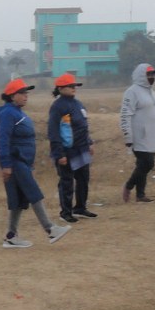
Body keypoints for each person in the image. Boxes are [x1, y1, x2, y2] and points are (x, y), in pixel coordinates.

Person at [0, 78, 69, 248]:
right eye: (22, 93)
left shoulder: (17, 112)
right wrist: (6, 165)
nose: (26, 96)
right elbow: (3, 140)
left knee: (19, 200)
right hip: (15, 161)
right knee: (34, 193)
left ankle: (11, 236)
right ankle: (50, 229)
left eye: (26, 93)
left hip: (22, 161)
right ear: (12, 96)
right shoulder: (8, 114)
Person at [47, 73, 96, 224]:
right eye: (70, 86)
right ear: (60, 88)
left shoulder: (78, 104)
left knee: (83, 179)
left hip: (81, 149)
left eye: (75, 85)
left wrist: (89, 143)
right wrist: (59, 153)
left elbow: (83, 126)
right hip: (67, 151)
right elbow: (53, 131)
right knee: (67, 182)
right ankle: (66, 212)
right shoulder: (57, 107)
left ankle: (80, 208)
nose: (74, 88)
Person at [119, 62, 155, 203]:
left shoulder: (153, 93)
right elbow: (125, 115)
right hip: (140, 136)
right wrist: (128, 136)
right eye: (148, 74)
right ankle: (128, 186)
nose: (152, 77)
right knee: (147, 163)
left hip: (154, 136)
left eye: (153, 74)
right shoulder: (132, 92)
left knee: (143, 165)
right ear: (141, 76)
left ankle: (140, 195)